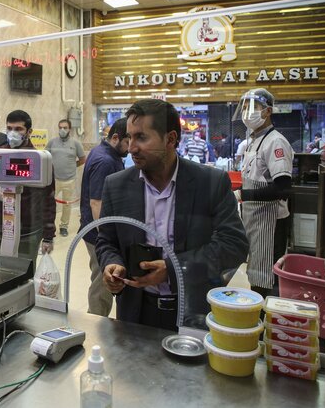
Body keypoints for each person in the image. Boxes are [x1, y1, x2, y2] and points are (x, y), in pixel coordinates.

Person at [97, 99, 249, 331]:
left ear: (170, 139)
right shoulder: (116, 186)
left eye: (142, 137)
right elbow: (106, 241)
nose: (131, 148)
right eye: (130, 137)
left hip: (193, 311)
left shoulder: (209, 183)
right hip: (136, 313)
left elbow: (234, 245)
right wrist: (112, 265)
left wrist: (173, 269)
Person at [232, 88, 293, 298]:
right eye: (245, 107)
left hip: (271, 224)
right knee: (256, 275)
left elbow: (282, 188)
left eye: (253, 107)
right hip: (255, 220)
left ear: (267, 111)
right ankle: (256, 320)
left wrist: (242, 195)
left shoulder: (275, 142)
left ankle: (268, 323)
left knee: (266, 279)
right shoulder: (253, 141)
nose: (247, 112)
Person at [0, 110, 56, 267]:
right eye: (10, 128)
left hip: (28, 231)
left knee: (23, 276)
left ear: (29, 132)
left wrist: (48, 236)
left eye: (18, 129)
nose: (13, 133)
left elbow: (49, 200)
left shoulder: (39, 160)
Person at [79, 117, 129, 316]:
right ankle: (95, 326)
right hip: (97, 233)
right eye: (128, 142)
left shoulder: (103, 153)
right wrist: (106, 238)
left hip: (97, 229)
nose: (131, 147)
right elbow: (96, 202)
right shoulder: (105, 160)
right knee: (103, 282)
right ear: (116, 138)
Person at [45, 119, 86, 237]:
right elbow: (45, 157)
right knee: (49, 204)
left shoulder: (76, 143)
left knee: (67, 205)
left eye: (65, 127)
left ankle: (64, 226)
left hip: (70, 179)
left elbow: (83, 159)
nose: (62, 130)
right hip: (54, 180)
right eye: (60, 127)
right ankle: (49, 227)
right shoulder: (52, 142)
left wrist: (73, 166)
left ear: (70, 129)